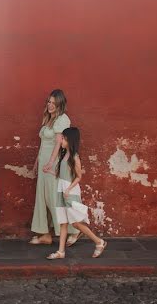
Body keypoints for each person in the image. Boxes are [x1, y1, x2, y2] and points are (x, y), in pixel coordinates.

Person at [45, 127, 108, 259]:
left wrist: (68, 189)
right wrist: (49, 171)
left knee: (76, 222)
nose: (60, 140)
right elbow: (61, 174)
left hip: (70, 191)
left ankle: (99, 241)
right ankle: (61, 252)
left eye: (63, 138)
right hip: (61, 189)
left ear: (69, 140)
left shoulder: (74, 157)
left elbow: (78, 176)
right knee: (63, 222)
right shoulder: (64, 156)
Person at [30, 89, 80, 246]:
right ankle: (44, 234)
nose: (50, 105)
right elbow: (44, 143)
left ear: (60, 104)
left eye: (53, 103)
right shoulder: (48, 118)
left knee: (54, 197)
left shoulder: (62, 120)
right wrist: (37, 162)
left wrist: (51, 163)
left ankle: (74, 230)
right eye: (49, 102)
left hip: (53, 163)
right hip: (44, 162)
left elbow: (58, 143)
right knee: (42, 197)